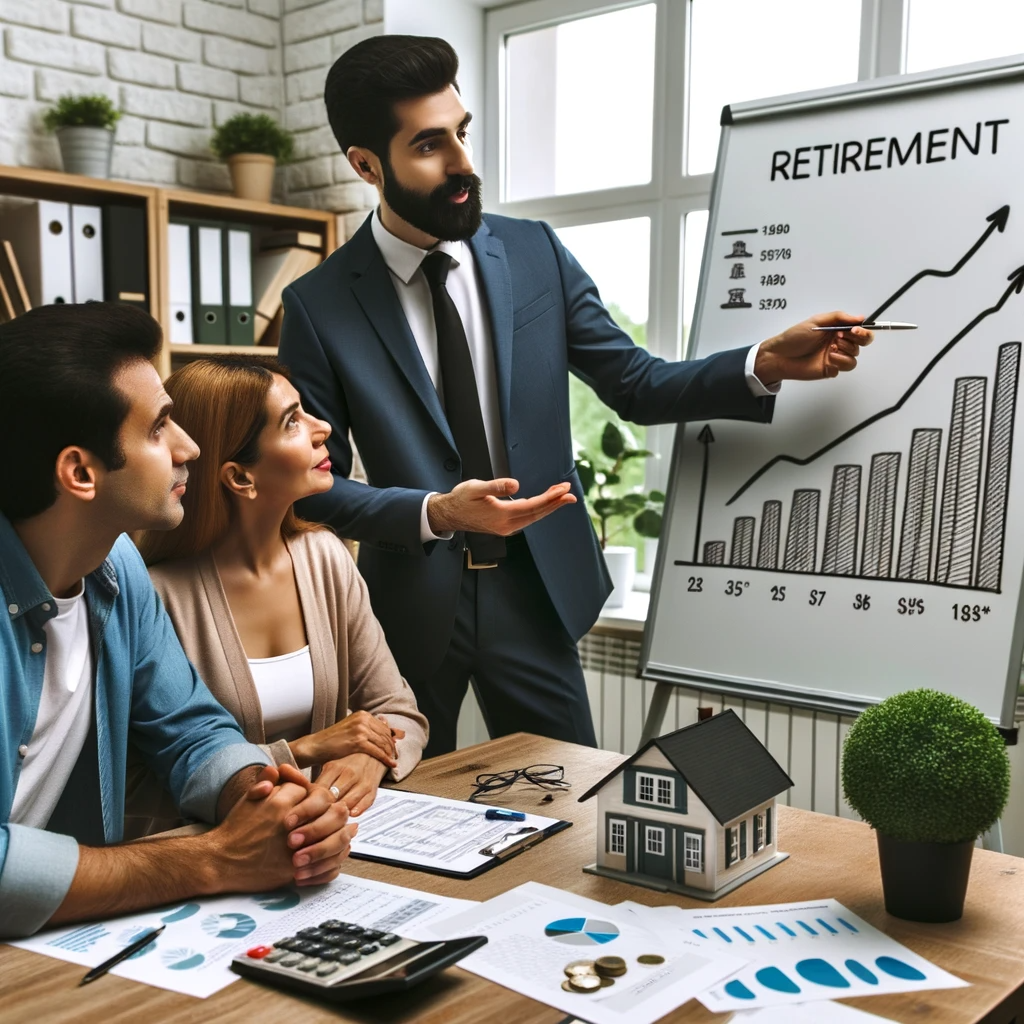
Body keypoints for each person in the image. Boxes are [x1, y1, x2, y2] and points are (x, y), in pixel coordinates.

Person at [278, 35, 874, 757]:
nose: (464, 164)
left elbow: (636, 383)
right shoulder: (318, 304)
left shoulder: (535, 254)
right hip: (405, 611)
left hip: (535, 594)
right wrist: (434, 512)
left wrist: (764, 363)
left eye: (463, 134)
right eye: (431, 145)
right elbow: (308, 487)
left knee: (571, 813)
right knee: (402, 820)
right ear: (367, 165)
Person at [0, 303, 353, 941]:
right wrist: (212, 861)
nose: (189, 446)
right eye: (160, 428)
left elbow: (189, 729)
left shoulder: (118, 568)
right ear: (81, 472)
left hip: (56, 943)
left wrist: (271, 802)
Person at [131, 356, 427, 835]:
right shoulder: (154, 597)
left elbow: (398, 711)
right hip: (217, 858)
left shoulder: (326, 558)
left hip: (334, 839)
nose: (323, 427)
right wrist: (307, 750)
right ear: (240, 477)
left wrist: (366, 759)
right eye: (292, 421)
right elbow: (148, 781)